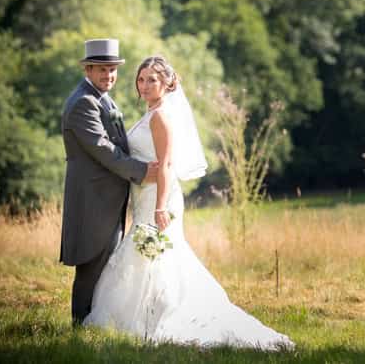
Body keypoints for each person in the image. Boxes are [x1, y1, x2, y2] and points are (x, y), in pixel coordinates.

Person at [84, 55, 294, 350]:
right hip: (145, 195)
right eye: (141, 79)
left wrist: (159, 207)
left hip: (160, 199)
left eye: (152, 80)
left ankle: (160, 318)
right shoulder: (151, 112)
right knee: (150, 258)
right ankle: (145, 316)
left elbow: (167, 166)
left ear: (168, 83)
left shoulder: (160, 117)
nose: (144, 85)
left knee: (157, 256)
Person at [61, 38, 159, 326]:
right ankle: (80, 324)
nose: (109, 76)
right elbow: (103, 149)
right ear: (88, 70)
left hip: (108, 199)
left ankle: (94, 322)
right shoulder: (83, 102)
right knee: (91, 265)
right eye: (102, 70)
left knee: (105, 264)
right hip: (93, 200)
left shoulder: (101, 98)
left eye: (113, 70)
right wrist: (142, 171)